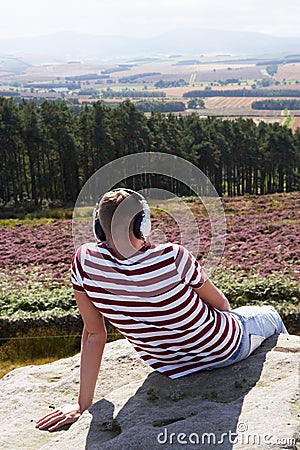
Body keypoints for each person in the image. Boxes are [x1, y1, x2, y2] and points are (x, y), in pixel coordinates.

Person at [36, 188, 288, 432]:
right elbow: (223, 306)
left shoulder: (83, 262)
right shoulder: (173, 256)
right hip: (225, 350)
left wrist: (82, 405)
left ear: (99, 228)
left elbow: (94, 334)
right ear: (141, 224)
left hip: (168, 365)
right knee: (271, 315)